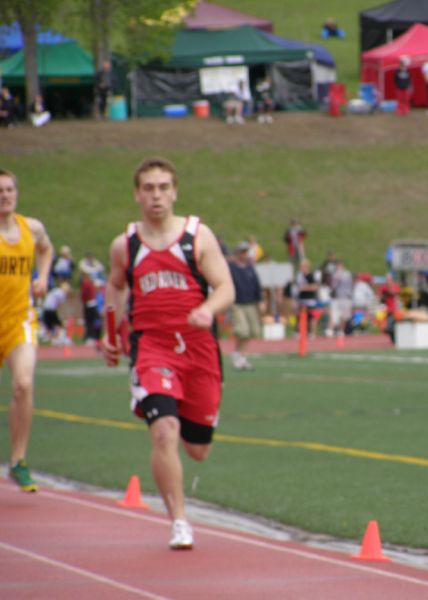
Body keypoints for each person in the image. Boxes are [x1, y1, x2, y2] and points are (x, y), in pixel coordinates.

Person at [101, 157, 235, 550]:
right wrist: (110, 333)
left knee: (197, 449)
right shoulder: (125, 244)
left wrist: (208, 309)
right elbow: (115, 287)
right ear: (136, 194)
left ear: (174, 192)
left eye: (163, 187)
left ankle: (198, 428)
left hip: (198, 350)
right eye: (148, 188)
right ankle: (179, 521)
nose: (156, 195)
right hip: (153, 348)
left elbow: (226, 286)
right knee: (164, 432)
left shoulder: (197, 236)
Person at [0, 168, 53, 492]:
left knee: (22, 384)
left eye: (8, 190)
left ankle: (18, 461)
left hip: (19, 320)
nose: (4, 195)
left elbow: (46, 248)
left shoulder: (31, 228)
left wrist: (43, 278)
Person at [228, 241, 264, 371]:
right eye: (242, 252)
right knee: (242, 331)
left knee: (253, 331)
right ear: (237, 253)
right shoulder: (231, 267)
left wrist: (260, 301)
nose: (244, 254)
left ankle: (240, 355)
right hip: (237, 303)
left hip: (251, 303)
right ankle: (238, 355)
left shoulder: (249, 267)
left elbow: (257, 285)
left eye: (245, 252)